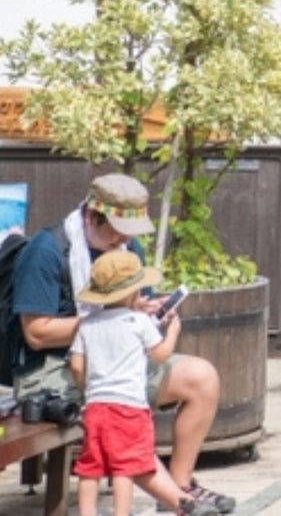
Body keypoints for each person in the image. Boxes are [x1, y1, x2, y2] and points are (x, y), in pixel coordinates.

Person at [9, 175, 234, 514]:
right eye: (115, 229)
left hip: (117, 359)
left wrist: (144, 314)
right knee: (118, 412)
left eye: (129, 231)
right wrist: (103, 324)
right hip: (52, 368)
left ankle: (180, 482)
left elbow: (132, 310)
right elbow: (36, 333)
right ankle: (180, 502)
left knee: (202, 377)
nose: (122, 238)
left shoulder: (128, 248)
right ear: (90, 217)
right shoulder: (46, 251)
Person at [70, 251, 215, 516]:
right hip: (129, 409)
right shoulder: (138, 321)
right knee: (125, 465)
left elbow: (77, 366)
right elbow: (160, 355)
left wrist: (86, 389)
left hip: (96, 407)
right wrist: (172, 332)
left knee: (90, 466)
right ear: (131, 292)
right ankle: (121, 513)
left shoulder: (87, 325)